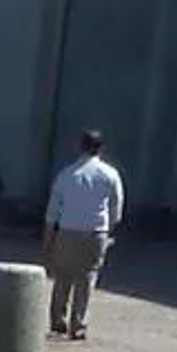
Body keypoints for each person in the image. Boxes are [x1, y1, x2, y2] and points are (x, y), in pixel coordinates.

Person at [44, 129, 124, 341]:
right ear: (101, 149)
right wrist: (110, 229)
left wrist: (48, 238)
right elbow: (116, 207)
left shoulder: (67, 174)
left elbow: (53, 211)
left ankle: (57, 321)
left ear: (80, 147)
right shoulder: (110, 174)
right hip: (96, 232)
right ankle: (78, 325)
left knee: (62, 277)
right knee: (87, 279)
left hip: (67, 230)